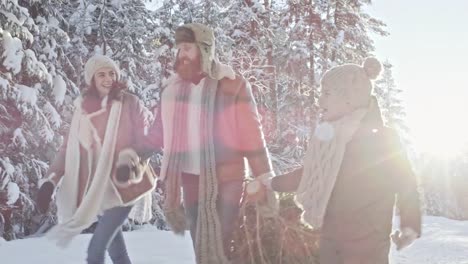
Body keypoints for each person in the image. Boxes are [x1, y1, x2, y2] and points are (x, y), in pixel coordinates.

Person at [254, 57, 422, 264]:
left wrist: (410, 224)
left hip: (368, 244)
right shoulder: (327, 139)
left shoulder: (383, 138)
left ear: (349, 98)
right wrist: (271, 182)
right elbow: (309, 175)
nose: (320, 102)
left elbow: (405, 182)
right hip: (330, 239)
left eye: (326, 94)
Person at [158, 23, 277, 263]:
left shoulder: (231, 83)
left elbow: (251, 132)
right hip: (190, 178)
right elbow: (158, 132)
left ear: (205, 49)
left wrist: (263, 176)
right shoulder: (173, 89)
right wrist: (133, 153)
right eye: (179, 49)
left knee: (222, 243)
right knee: (199, 242)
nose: (182, 54)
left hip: (228, 178)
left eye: (187, 48)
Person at [36, 54, 161, 264]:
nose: (108, 78)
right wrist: (50, 182)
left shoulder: (130, 103)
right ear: (91, 79)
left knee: (95, 250)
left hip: (125, 185)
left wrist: (128, 161)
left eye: (112, 73)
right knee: (118, 253)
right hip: (99, 191)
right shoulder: (83, 112)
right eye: (101, 74)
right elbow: (67, 150)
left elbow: (148, 140)